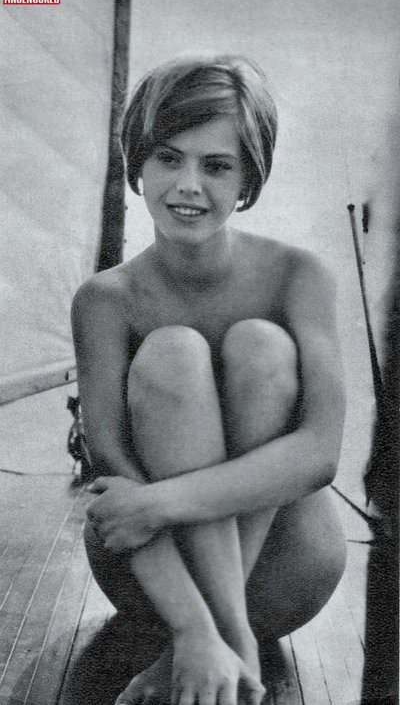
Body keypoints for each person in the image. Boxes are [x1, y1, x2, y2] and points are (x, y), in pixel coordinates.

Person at [71, 53, 347, 705]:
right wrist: (190, 625)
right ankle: (214, 636)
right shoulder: (105, 300)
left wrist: (160, 504)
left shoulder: (299, 275)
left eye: (217, 165)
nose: (188, 185)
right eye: (169, 158)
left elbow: (320, 454)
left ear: (249, 176)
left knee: (261, 345)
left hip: (287, 571)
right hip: (151, 578)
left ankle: (219, 639)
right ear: (139, 161)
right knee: (171, 353)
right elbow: (111, 470)